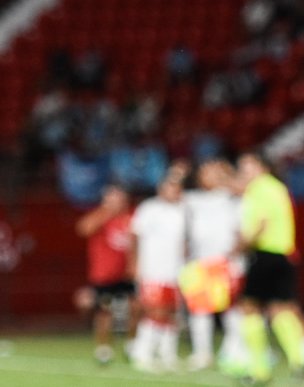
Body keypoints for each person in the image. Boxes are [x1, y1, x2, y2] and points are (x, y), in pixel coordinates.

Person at [235, 151, 304, 382]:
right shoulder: (279, 188)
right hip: (284, 254)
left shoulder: (258, 188)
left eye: (247, 166)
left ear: (262, 167)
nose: (244, 172)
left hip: (264, 254)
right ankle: (299, 362)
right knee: (281, 309)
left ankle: (258, 370)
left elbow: (261, 223)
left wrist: (241, 246)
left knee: (250, 308)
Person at [181, 157, 243, 371]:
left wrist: (224, 174)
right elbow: (173, 193)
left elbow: (242, 188)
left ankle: (235, 350)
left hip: (226, 261)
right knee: (200, 310)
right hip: (200, 262)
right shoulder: (193, 199)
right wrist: (179, 173)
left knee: (231, 309)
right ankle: (202, 353)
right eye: (205, 172)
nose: (210, 176)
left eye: (213, 172)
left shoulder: (232, 197)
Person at [128, 174, 187, 372]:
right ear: (160, 189)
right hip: (152, 270)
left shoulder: (183, 210)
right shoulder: (149, 209)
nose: (173, 191)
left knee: (172, 313)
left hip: (175, 271)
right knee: (155, 311)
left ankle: (167, 354)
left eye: (176, 188)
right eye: (169, 187)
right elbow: (134, 237)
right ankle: (142, 353)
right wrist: (134, 264)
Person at [76, 184, 136, 365]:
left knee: (135, 308)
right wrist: (106, 212)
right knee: (104, 312)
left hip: (127, 273)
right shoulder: (100, 216)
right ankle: (104, 349)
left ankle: (132, 344)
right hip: (104, 274)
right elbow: (83, 228)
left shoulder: (131, 217)